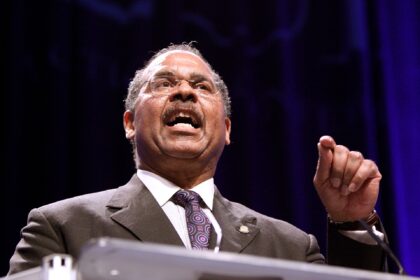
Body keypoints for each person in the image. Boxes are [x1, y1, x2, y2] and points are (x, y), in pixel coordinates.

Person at [7, 43, 387, 275]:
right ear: (129, 123)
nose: (185, 92)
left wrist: (351, 221)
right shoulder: (64, 228)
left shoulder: (287, 246)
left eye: (201, 86)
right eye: (164, 84)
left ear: (226, 129)